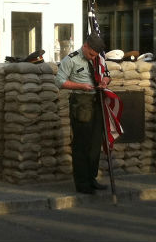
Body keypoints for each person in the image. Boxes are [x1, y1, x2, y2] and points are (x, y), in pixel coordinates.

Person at [55, 34, 110, 194]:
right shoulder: (70, 60)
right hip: (82, 103)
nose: (93, 57)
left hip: (97, 101)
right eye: (91, 54)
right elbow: (59, 81)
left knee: (94, 144)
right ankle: (82, 183)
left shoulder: (98, 59)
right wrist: (80, 86)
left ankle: (91, 178)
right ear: (85, 46)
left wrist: (105, 81)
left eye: (95, 55)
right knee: (81, 145)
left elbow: (106, 75)